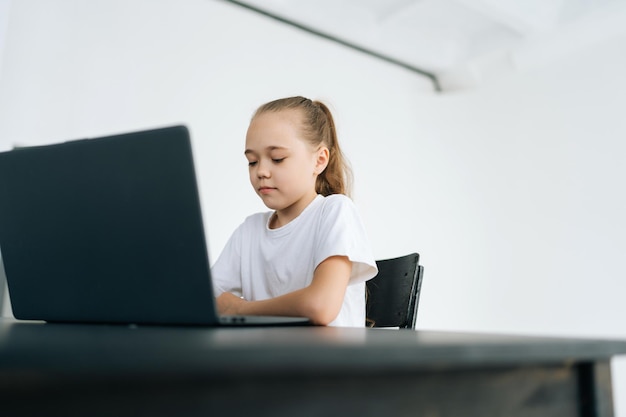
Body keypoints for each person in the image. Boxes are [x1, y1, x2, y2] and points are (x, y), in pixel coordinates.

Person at [211, 96, 377, 327]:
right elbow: (204, 299)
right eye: (252, 161)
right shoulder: (248, 232)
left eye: (277, 159)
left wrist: (240, 308)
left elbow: (321, 306)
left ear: (319, 160)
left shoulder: (336, 212)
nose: (261, 171)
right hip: (269, 361)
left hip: (328, 361)